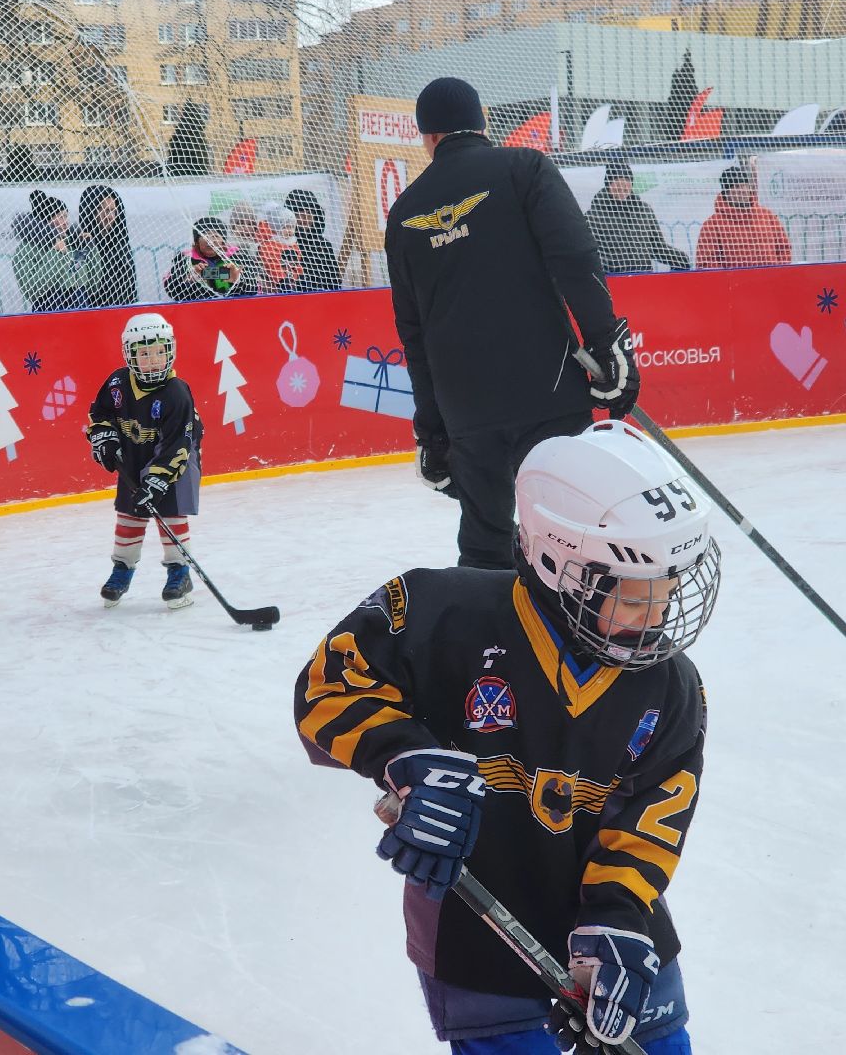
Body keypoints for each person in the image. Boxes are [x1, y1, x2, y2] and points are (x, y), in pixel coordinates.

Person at [293, 422, 720, 1055]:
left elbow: (648, 824)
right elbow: (329, 687)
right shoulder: (441, 614)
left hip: (615, 930)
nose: (657, 618)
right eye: (634, 598)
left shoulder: (670, 689)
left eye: (668, 591)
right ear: (562, 567)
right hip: (472, 931)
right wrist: (406, 758)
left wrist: (619, 920)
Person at [384, 76, 638, 571]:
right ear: (483, 124)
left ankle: (488, 642)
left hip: (467, 410)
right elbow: (575, 258)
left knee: (485, 546)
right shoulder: (524, 167)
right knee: (572, 533)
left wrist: (432, 432)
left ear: (429, 137)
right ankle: (578, 641)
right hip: (547, 387)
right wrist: (608, 343)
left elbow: (412, 333)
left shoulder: (404, 213)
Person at [85, 312, 204, 608]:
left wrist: (158, 480)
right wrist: (104, 438)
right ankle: (122, 569)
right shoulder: (116, 384)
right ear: (130, 356)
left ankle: (180, 571)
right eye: (144, 353)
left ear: (170, 352)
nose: (152, 360)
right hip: (134, 460)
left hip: (175, 463)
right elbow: (99, 416)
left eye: (159, 352)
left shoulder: (177, 393)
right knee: (129, 515)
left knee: (172, 516)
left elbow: (179, 443)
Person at [583, 160, 689, 276]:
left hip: (643, 279)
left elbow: (657, 248)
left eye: (625, 187)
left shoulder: (644, 211)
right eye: (617, 187)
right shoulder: (593, 216)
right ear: (608, 184)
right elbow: (592, 255)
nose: (622, 191)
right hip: (614, 281)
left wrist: (680, 259)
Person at [11, 189, 102, 312]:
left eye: (66, 216)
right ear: (45, 221)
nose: (66, 223)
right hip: (49, 307)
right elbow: (32, 289)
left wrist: (89, 249)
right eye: (60, 217)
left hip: (80, 305)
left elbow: (93, 285)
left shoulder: (72, 243)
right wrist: (55, 251)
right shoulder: (25, 249)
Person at [692, 164, 791, 270]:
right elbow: (706, 263)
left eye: (745, 185)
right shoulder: (713, 225)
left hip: (770, 282)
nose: (742, 190)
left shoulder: (768, 216)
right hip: (734, 284)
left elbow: (784, 249)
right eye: (736, 186)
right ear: (727, 193)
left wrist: (778, 274)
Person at [162, 216, 258, 301]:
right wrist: (189, 279)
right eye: (206, 235)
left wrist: (237, 279)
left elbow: (254, 288)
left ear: (223, 240)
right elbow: (172, 290)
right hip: (198, 313)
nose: (211, 240)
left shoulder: (239, 256)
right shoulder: (185, 259)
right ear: (196, 241)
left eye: (216, 235)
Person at [79, 185, 137, 308]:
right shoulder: (80, 244)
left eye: (112, 211)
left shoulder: (121, 245)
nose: (109, 216)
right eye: (104, 210)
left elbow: (131, 290)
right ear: (92, 212)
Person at [285, 188, 340, 292]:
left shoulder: (324, 245)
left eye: (310, 211)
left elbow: (334, 283)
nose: (306, 215)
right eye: (301, 210)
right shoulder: (282, 244)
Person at [254, 205, 304, 295]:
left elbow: (297, 263)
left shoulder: (293, 244)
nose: (289, 231)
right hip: (275, 284)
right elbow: (272, 265)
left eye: (292, 227)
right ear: (277, 227)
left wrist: (299, 277)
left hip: (292, 281)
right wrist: (282, 280)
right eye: (286, 227)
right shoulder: (269, 244)